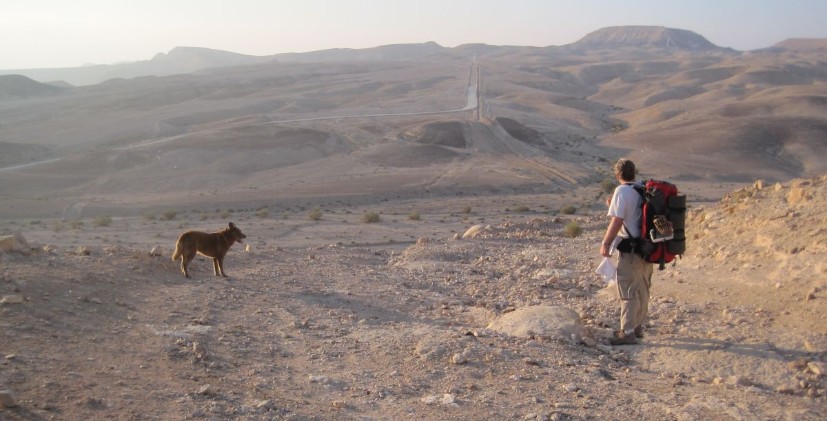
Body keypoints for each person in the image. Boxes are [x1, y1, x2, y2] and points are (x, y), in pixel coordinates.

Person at [600, 158, 653, 345]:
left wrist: (606, 242)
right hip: (648, 247)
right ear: (634, 173)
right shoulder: (642, 189)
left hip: (630, 249)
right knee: (643, 288)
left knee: (628, 288)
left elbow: (618, 220)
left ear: (617, 175)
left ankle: (628, 331)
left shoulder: (622, 191)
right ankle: (638, 327)